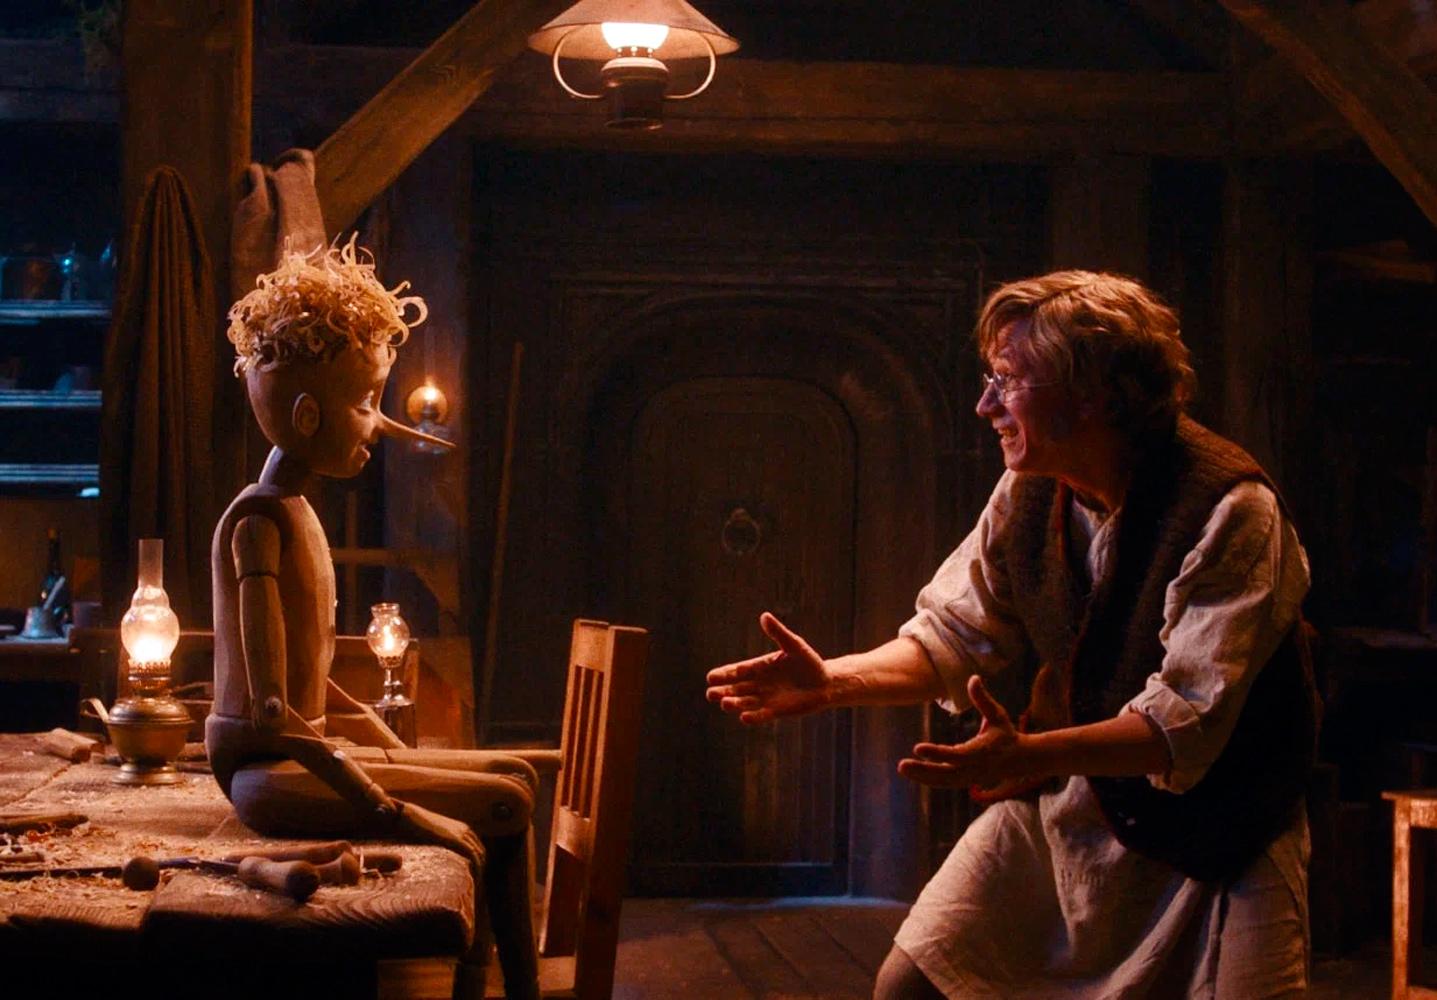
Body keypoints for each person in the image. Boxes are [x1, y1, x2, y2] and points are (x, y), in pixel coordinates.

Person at [705, 270, 1317, 999]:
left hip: (1223, 834)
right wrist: (834, 681)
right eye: (988, 379)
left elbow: (1182, 726)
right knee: (911, 987)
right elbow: (952, 633)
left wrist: (1029, 752)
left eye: (1008, 380)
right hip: (1077, 808)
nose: (985, 404)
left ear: (1093, 394)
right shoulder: (1029, 491)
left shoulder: (1229, 509)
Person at [207, 237, 541, 999]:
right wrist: (398, 810)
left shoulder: (294, 510)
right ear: (306, 414)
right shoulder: (258, 522)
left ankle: (492, 980)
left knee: (515, 775)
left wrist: (387, 749)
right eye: (365, 404)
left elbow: (312, 683)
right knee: (510, 801)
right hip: (264, 776)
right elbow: (272, 712)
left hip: (301, 753)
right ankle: (498, 983)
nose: (381, 426)